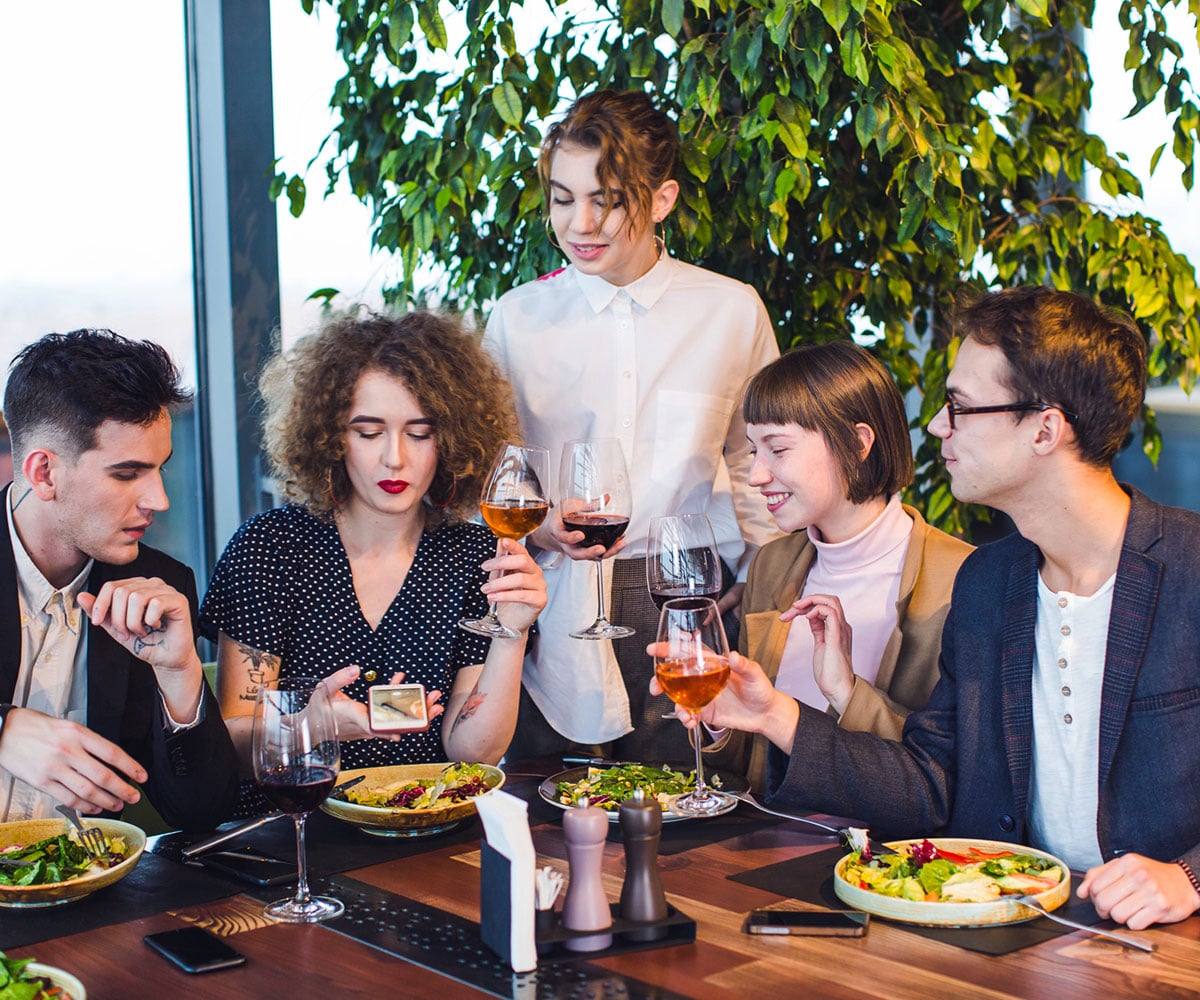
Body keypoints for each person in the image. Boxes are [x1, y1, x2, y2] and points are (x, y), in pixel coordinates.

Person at [658, 286, 1200, 929]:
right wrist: (776, 714)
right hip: (1009, 927)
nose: (938, 426)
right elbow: (929, 784)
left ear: (1045, 430)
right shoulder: (989, 582)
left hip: (1165, 942)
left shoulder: (1189, 568)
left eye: (960, 407)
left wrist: (1189, 874)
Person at [483, 89, 781, 760]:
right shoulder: (516, 319)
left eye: (608, 201)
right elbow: (493, 469)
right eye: (563, 199)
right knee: (555, 797)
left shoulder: (731, 311)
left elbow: (754, 463)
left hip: (688, 593)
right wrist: (540, 529)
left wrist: (764, 584)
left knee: (692, 794)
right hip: (553, 591)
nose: (580, 223)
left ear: (663, 199)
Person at [201, 311, 546, 812]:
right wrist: (314, 723)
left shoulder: (476, 557)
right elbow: (232, 738)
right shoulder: (270, 547)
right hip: (292, 828)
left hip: (424, 830)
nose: (395, 458)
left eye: (420, 433)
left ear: (450, 440)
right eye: (368, 432)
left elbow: (473, 753)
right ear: (329, 437)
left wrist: (511, 632)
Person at [704, 343, 972, 790]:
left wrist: (846, 692)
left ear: (857, 443)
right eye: (753, 452)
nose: (756, 476)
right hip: (767, 829)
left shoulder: (963, 579)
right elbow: (752, 763)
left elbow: (947, 779)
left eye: (778, 450)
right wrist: (717, 714)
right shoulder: (772, 564)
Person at [0, 329, 238, 828]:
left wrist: (180, 674)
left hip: (91, 876)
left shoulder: (161, 585)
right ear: (44, 473)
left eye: (159, 470)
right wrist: (5, 729)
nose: (159, 500)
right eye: (127, 474)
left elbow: (200, 812)